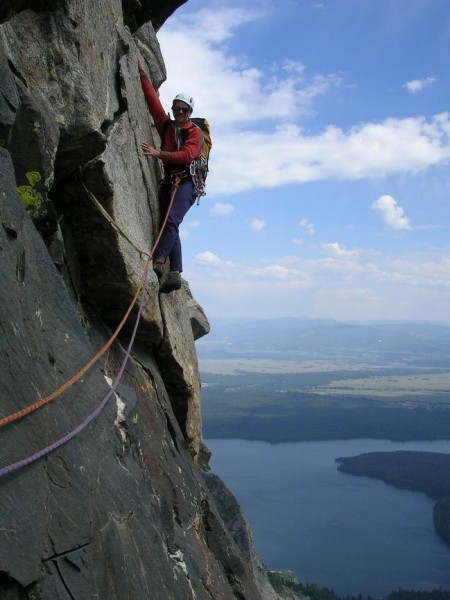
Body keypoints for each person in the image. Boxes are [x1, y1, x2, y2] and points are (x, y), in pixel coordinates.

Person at [139, 66, 202, 293]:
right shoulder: (166, 125)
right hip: (170, 180)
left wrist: (159, 154)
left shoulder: (194, 132)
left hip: (187, 183)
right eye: (176, 109)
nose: (180, 113)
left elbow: (187, 155)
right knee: (168, 223)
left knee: (172, 221)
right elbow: (153, 102)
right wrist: (143, 76)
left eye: (184, 110)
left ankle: (159, 262)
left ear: (190, 111)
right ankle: (175, 273)